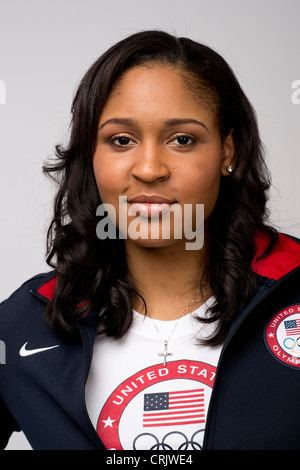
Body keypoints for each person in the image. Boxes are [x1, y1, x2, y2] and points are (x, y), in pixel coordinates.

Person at [1, 30, 300, 451]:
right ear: (91, 155)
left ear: (228, 152)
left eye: (182, 140)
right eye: (121, 140)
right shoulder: (26, 324)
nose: (149, 168)